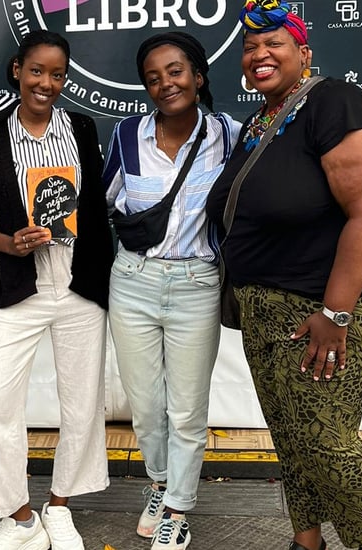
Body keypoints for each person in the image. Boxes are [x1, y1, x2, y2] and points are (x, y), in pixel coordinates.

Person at [205, 2, 362, 550]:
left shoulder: (335, 103)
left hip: (335, 304)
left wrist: (334, 314)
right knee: (291, 432)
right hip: (266, 305)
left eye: (273, 43)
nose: (258, 55)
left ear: (304, 53)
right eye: (250, 48)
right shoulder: (260, 121)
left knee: (324, 434)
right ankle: (306, 541)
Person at [0, 30, 114, 550]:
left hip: (78, 285)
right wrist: (6, 241)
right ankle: (19, 516)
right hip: (18, 283)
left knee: (82, 403)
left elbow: (95, 212)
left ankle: (60, 504)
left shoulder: (84, 129)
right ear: (17, 72)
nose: (46, 82)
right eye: (36, 71)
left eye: (57, 74)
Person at [102, 32, 240, 550]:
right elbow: (103, 200)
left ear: (198, 76)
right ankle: (160, 484)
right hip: (132, 281)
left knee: (186, 410)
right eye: (154, 77)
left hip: (196, 284)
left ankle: (178, 508)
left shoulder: (226, 133)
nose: (166, 83)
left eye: (177, 71)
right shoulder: (126, 135)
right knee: (145, 405)